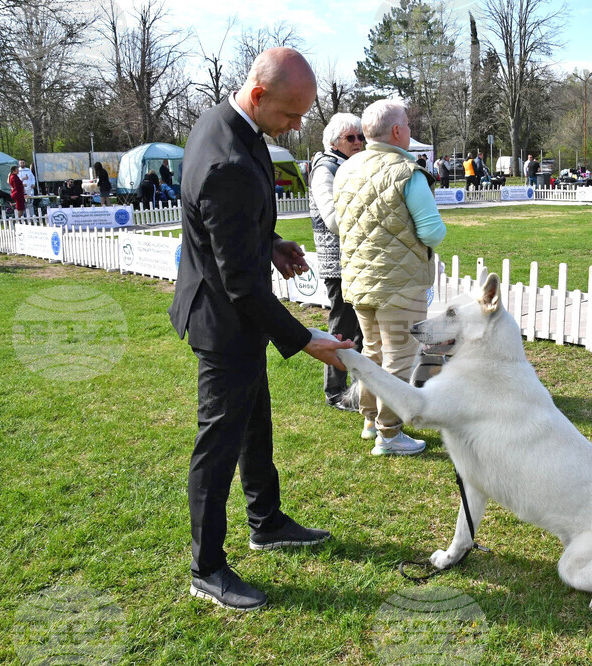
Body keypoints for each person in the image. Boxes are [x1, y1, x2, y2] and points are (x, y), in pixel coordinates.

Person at [168, 47, 352, 612]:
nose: (298, 128)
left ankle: (265, 520)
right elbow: (241, 286)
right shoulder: (226, 158)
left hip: (234, 309)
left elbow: (220, 224)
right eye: (292, 115)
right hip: (224, 321)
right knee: (218, 443)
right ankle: (207, 568)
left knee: (256, 424)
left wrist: (268, 242)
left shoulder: (226, 122)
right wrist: (308, 339)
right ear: (258, 95)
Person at [333, 99, 446, 456]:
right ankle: (389, 432)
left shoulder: (347, 170)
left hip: (359, 281)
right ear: (397, 131)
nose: (410, 131)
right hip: (400, 284)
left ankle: (370, 419)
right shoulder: (407, 172)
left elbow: (339, 224)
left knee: (372, 353)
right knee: (400, 358)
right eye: (408, 126)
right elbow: (432, 233)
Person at [309, 112, 365, 411]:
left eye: (360, 137)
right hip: (339, 263)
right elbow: (333, 219)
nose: (358, 142)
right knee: (342, 329)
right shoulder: (325, 168)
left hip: (356, 261)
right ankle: (335, 392)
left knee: (359, 330)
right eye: (351, 138)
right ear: (334, 142)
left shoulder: (348, 164)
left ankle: (356, 390)